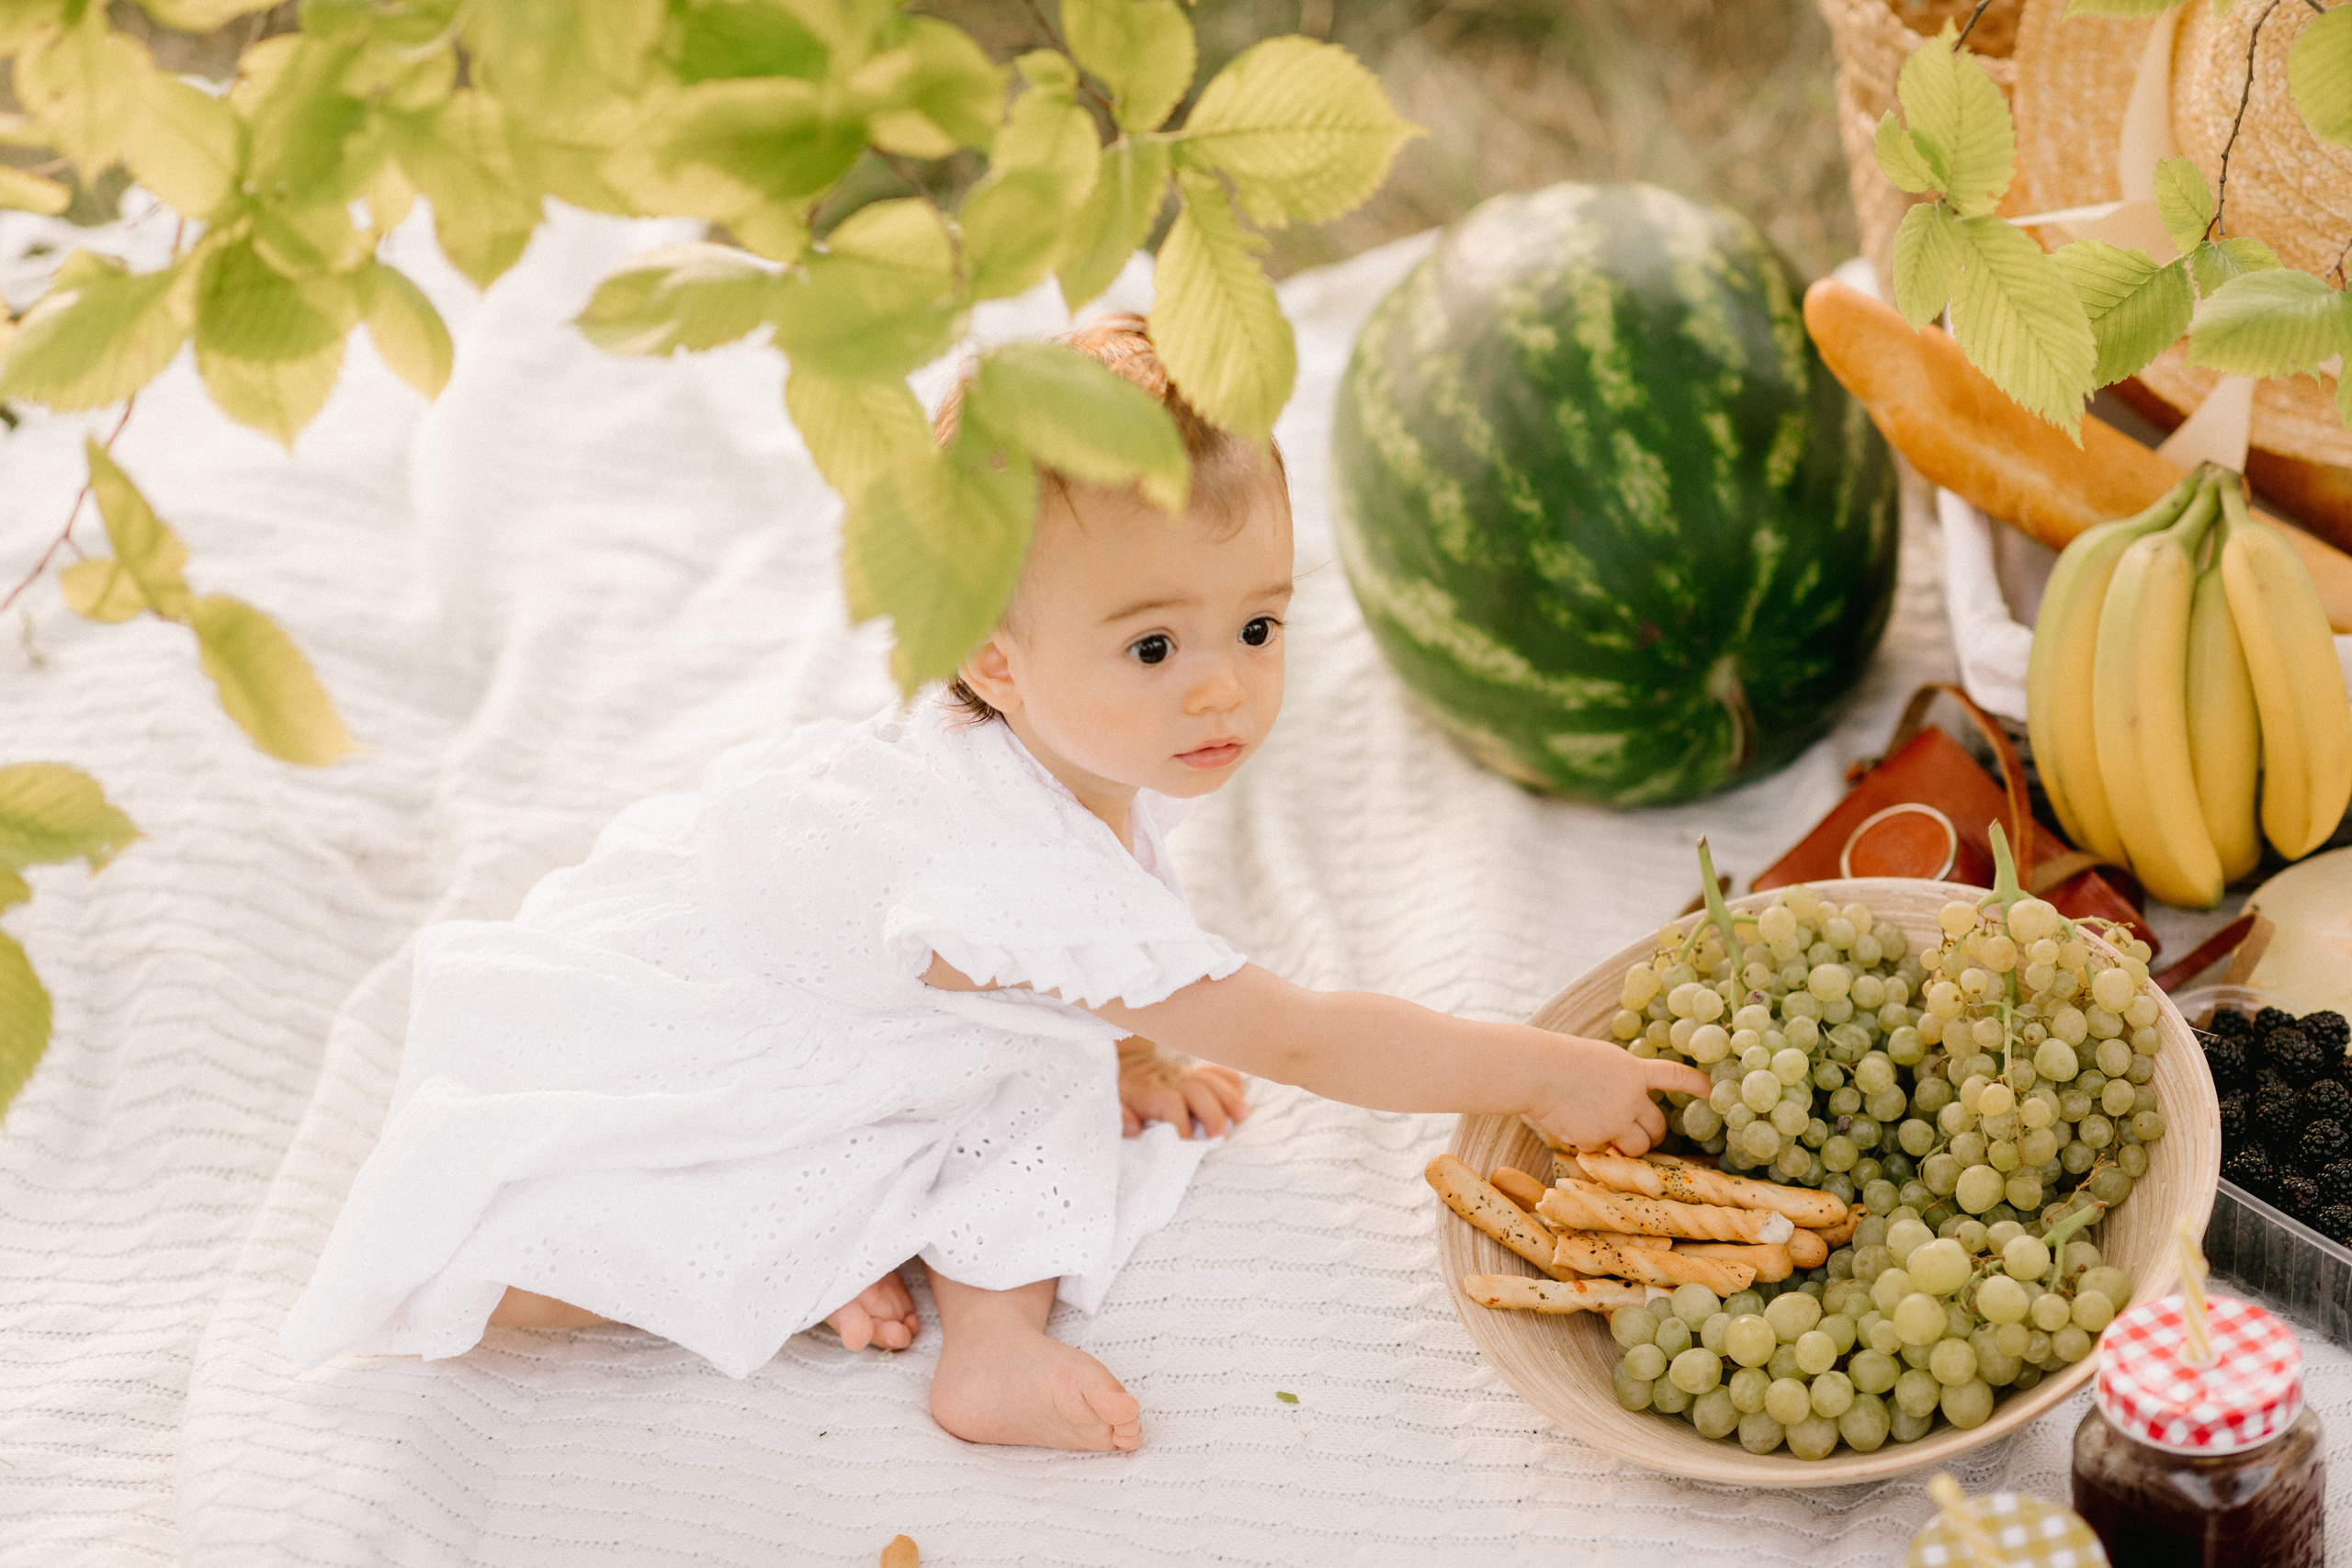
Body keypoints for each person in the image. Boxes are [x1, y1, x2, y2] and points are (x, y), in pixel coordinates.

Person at [281, 317, 1706, 1455]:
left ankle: (926, 1300)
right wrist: (1535, 1073)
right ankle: (896, 1319)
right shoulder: (1011, 870)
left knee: (1046, 1084)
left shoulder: (1056, 774)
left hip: (844, 949)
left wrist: (1135, 1041)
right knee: (645, 1227)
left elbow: (1069, 964)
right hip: (780, 995)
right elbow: (1305, 1036)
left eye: (1259, 622)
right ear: (995, 662)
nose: (1225, 683)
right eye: (1154, 648)